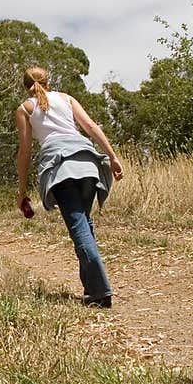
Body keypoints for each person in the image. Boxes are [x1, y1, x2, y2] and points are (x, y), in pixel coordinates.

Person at [15, 66, 123, 308]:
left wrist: (22, 190)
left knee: (78, 228)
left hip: (61, 168)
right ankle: (91, 288)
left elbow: (24, 151)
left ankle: (101, 292)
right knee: (83, 222)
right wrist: (112, 156)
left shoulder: (25, 109)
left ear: (25, 86)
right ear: (48, 81)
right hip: (87, 163)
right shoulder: (66, 98)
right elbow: (92, 128)